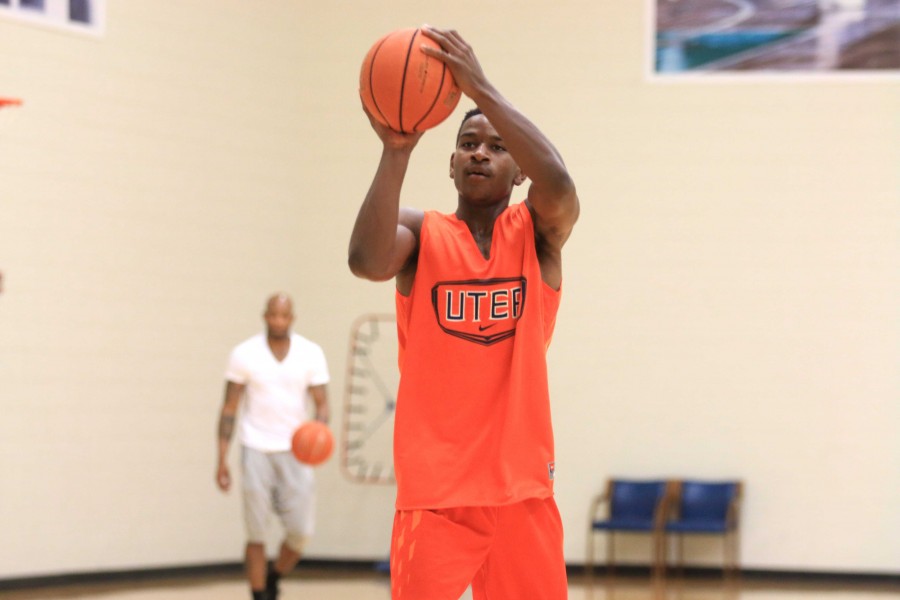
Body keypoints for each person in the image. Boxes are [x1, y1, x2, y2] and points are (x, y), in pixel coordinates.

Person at [348, 26, 579, 600]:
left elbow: (561, 184)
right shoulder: (422, 235)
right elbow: (365, 260)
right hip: (435, 495)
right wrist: (396, 150)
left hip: (522, 490)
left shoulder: (537, 235)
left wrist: (481, 87)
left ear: (518, 169)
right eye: (469, 143)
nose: (481, 152)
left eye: (498, 147)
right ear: (451, 164)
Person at [215, 293, 331, 600]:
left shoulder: (311, 353)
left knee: (301, 533)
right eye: (273, 315)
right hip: (255, 448)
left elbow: (322, 406)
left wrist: (317, 435)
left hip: (295, 451)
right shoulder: (244, 354)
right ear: (265, 316)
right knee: (256, 533)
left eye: (284, 316)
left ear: (292, 318)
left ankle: (273, 575)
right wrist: (222, 460)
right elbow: (229, 409)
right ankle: (259, 595)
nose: (278, 321)